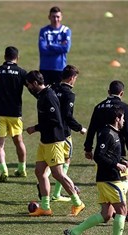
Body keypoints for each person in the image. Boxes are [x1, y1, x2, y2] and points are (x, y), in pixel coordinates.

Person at [64, 106, 128, 235]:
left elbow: (109, 154)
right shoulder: (107, 134)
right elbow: (99, 156)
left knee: (106, 214)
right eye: (122, 118)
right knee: (122, 210)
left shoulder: (113, 133)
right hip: (109, 179)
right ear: (116, 119)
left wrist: (121, 160)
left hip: (106, 179)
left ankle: (73, 233)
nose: (123, 121)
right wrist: (116, 164)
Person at [25, 70, 85, 217]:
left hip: (54, 141)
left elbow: (55, 121)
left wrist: (36, 128)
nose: (28, 88)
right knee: (39, 172)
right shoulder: (42, 94)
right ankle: (45, 207)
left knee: (58, 174)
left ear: (35, 83)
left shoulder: (49, 97)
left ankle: (78, 203)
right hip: (45, 141)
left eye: (29, 85)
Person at [84, 80, 128, 193]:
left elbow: (92, 128)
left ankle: (111, 207)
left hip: (102, 149)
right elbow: (127, 130)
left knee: (107, 183)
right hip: (118, 150)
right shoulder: (124, 107)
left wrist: (88, 148)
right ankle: (117, 205)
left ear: (108, 92)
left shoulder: (98, 107)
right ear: (121, 93)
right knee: (124, 180)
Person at [49, 64, 86, 201]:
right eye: (75, 78)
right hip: (63, 134)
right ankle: (57, 194)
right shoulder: (69, 94)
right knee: (65, 161)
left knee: (48, 163)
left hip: (49, 131)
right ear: (72, 78)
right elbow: (67, 116)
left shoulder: (52, 88)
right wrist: (80, 128)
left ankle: (49, 190)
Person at [0, 46, 27, 183]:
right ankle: (22, 168)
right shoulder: (21, 72)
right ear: (17, 58)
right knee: (18, 141)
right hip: (15, 112)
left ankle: (4, 170)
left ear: (4, 56)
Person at [38, 6, 71, 86]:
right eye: (53, 17)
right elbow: (43, 49)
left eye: (58, 17)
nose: (56, 19)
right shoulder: (44, 31)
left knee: (58, 95)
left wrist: (50, 45)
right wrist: (59, 46)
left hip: (59, 68)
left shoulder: (65, 30)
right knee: (45, 96)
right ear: (49, 17)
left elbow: (66, 48)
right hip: (45, 68)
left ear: (61, 17)